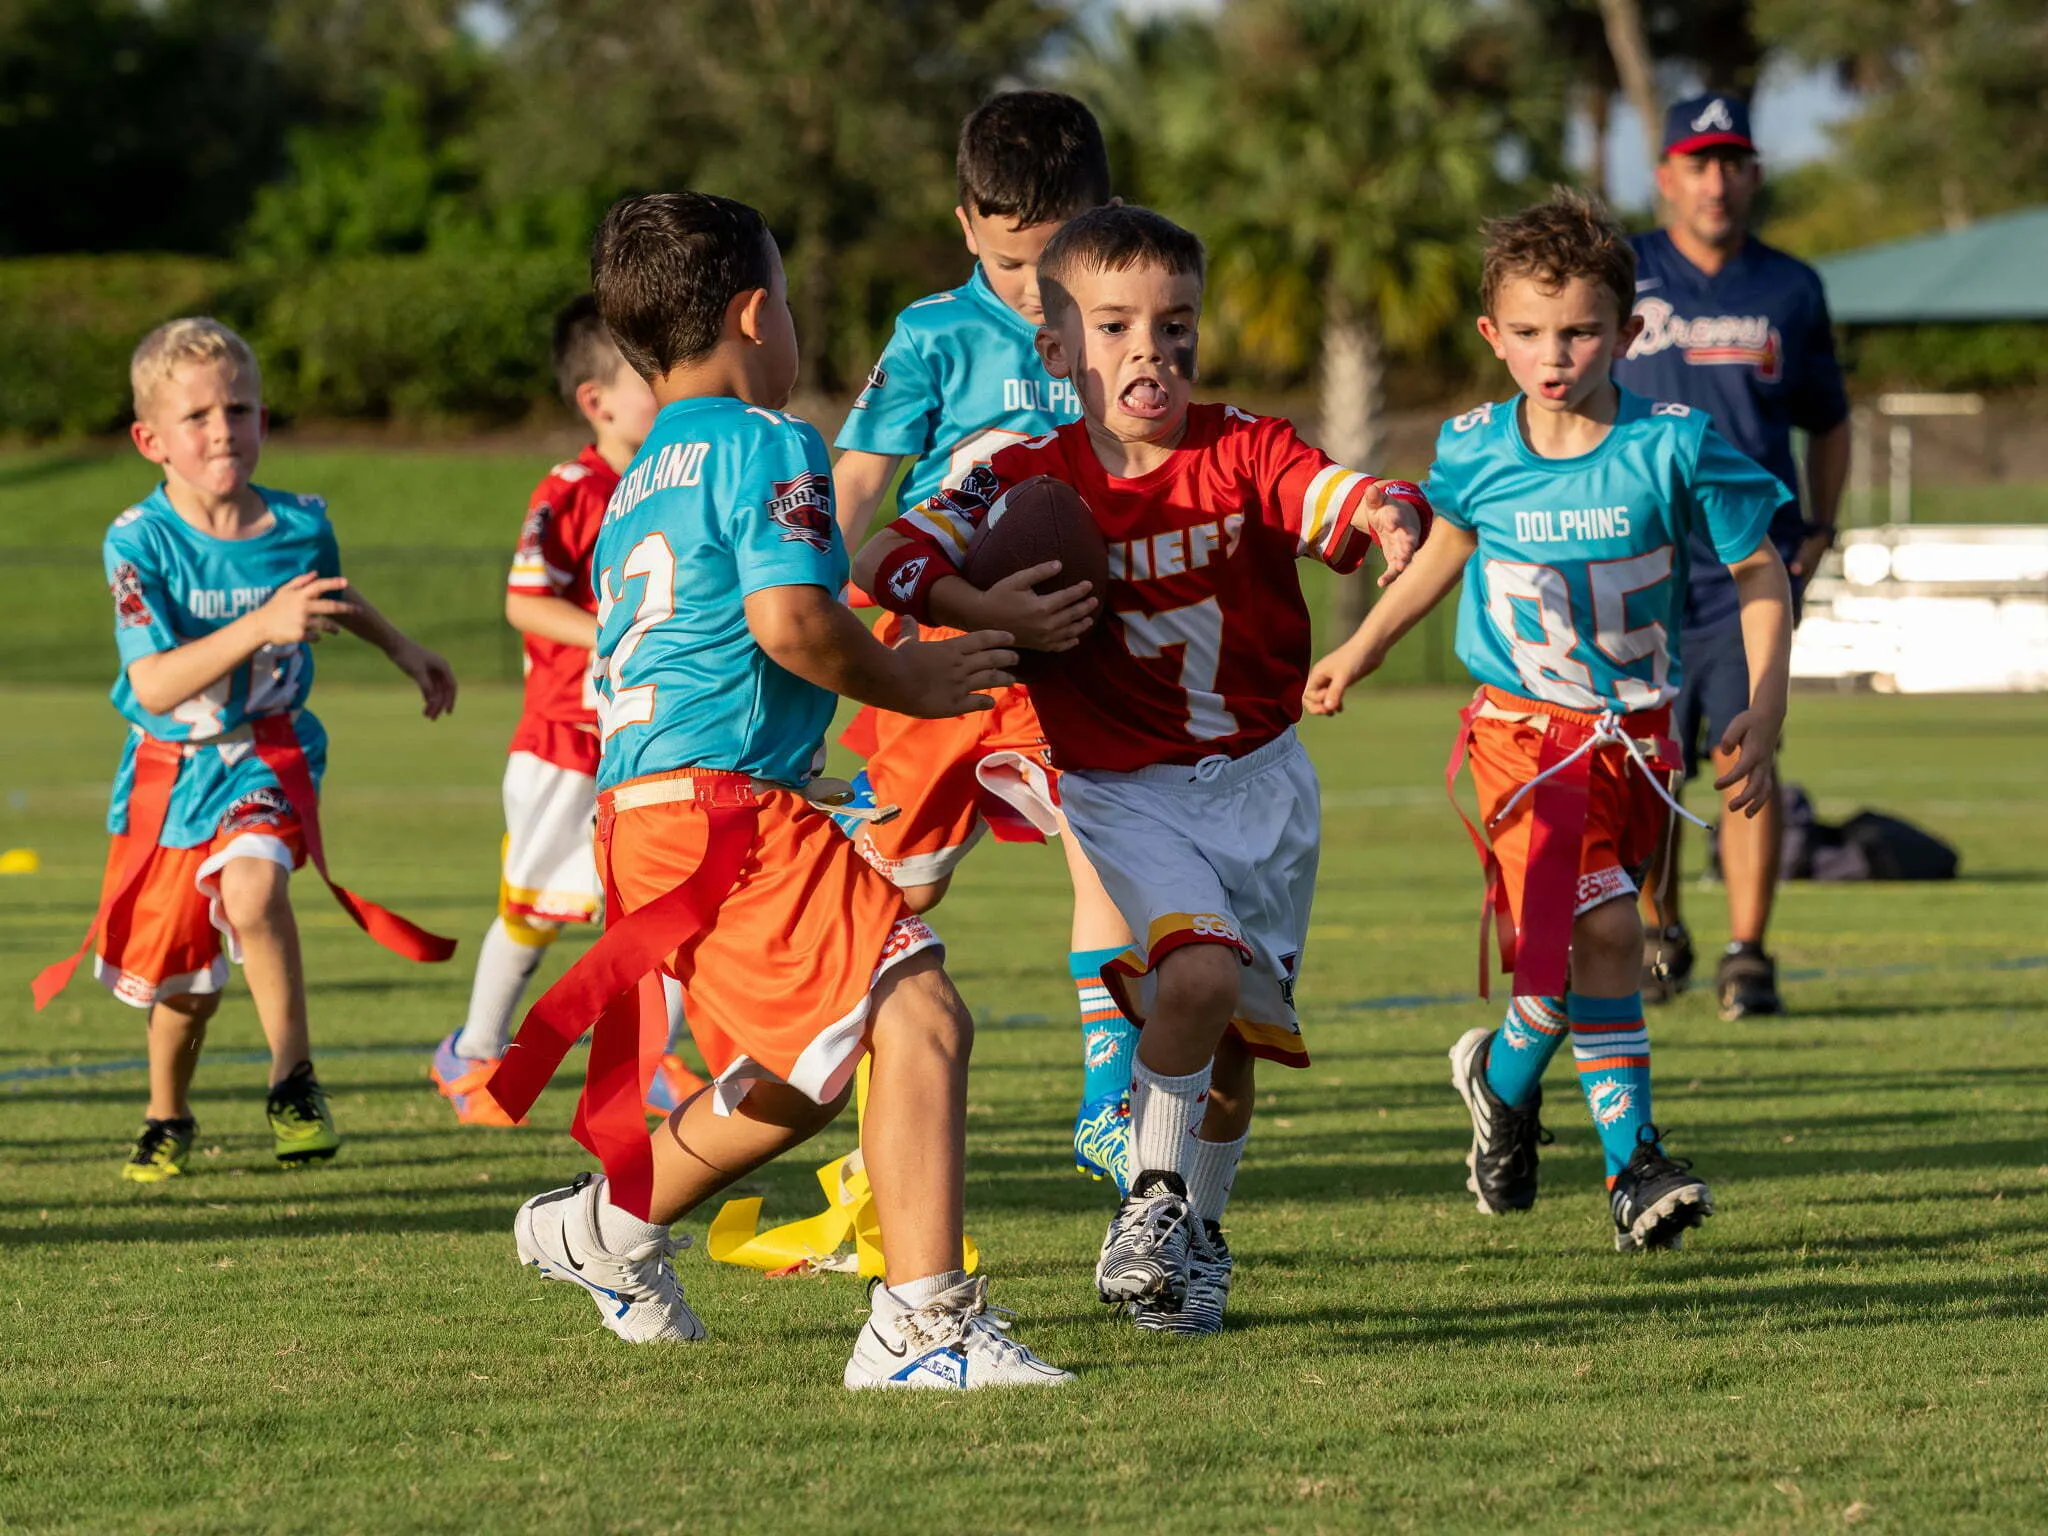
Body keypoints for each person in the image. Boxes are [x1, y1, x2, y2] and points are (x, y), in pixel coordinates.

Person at [491, 191, 1070, 1390]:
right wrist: (911, 682)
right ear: (755, 315)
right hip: (722, 812)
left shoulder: (644, 471)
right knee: (919, 1016)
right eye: (791, 301)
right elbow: (793, 621)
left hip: (643, 812)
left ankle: (607, 1226)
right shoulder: (770, 442)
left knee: (808, 1075)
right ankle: (921, 1329)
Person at [854, 205, 1427, 1334]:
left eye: (1173, 325)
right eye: (1112, 325)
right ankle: (1149, 1202)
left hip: (1261, 785)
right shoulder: (1019, 477)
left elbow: (1343, 496)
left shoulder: (1246, 447)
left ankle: (1192, 1246)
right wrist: (979, 601)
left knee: (1228, 1059)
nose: (1147, 351)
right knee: (1196, 982)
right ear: (1055, 348)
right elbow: (885, 557)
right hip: (1121, 785)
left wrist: (1387, 508)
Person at [1306, 189, 1794, 1251]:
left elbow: (1760, 570)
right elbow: (1444, 545)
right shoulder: (1475, 445)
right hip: (1521, 743)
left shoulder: (1675, 443)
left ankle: (1495, 1076)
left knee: (1567, 971)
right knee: (1608, 931)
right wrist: (1361, 646)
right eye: (1527, 332)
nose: (1553, 353)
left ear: (1626, 332)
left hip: (1640, 744)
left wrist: (1763, 704)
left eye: (1578, 329)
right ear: (1491, 336)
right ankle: (1634, 1170)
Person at [33, 318, 458, 1181]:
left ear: (265, 419)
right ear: (150, 440)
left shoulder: (301, 526)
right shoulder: (137, 541)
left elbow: (333, 597)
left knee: (255, 882)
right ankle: (167, 1112)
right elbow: (152, 685)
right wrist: (258, 625)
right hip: (170, 770)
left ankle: (292, 1079)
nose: (223, 428)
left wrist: (404, 648)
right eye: (197, 416)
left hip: (267, 752)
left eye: (241, 407)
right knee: (181, 988)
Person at [832, 90, 1140, 1190]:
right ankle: (870, 1149)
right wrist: (804, 603)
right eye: (1013, 264)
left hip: (1072, 649)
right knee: (893, 900)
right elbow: (854, 492)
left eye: (1056, 258)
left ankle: (1109, 1098)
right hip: (939, 653)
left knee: (1108, 843)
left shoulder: (1132, 321)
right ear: (967, 226)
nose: (1032, 286)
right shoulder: (928, 336)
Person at [429, 296, 700, 1125]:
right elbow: (524, 602)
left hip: (654, 742)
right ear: (598, 401)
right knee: (535, 907)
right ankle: (474, 1051)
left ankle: (651, 1059)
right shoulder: (573, 489)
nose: (669, 386)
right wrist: (621, 636)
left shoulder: (682, 481)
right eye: (647, 375)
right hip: (566, 743)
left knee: (673, 910)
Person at [1615, 94, 1851, 1020]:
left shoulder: (1789, 286)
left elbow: (1829, 420)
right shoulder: (1623, 271)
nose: (1715, 180)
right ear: (1666, 175)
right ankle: (1659, 925)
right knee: (1646, 765)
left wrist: (1822, 527)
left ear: (1752, 175)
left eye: (1732, 161)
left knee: (1747, 752)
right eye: (1697, 162)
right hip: (1631, 561)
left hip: (1746, 563)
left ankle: (1748, 955)